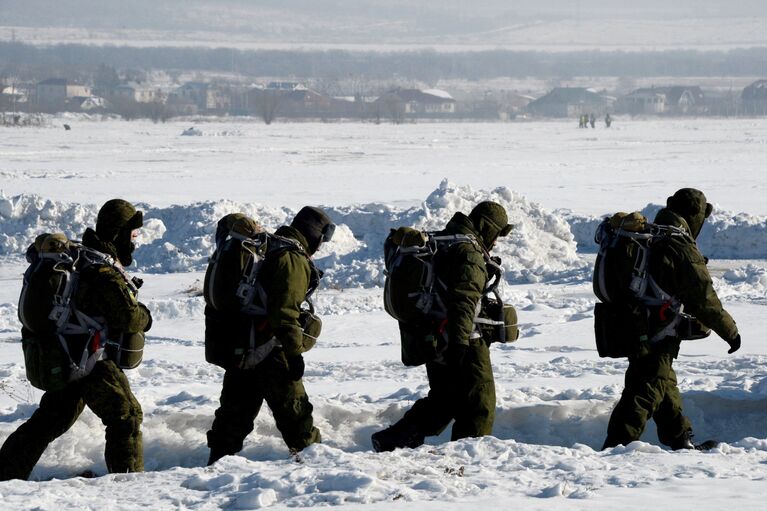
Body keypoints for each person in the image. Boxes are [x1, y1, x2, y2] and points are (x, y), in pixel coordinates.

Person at [0, 199, 152, 480]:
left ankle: (5, 473)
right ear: (119, 233)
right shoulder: (101, 271)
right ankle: (130, 485)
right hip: (90, 358)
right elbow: (129, 318)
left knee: (51, 418)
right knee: (126, 415)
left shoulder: (85, 258)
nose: (135, 243)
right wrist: (146, 316)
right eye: (132, 236)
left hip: (68, 352)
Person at [602, 188, 741, 450]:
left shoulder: (652, 234)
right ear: (695, 215)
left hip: (633, 324)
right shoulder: (678, 244)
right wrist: (730, 331)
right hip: (657, 329)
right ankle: (616, 446)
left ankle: (679, 438)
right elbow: (704, 299)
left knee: (662, 381)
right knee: (645, 389)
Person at [371, 201, 513, 452]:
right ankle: (468, 460)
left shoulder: (442, 240)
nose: (496, 241)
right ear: (487, 227)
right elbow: (464, 302)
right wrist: (459, 345)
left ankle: (394, 439)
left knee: (445, 399)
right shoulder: (468, 251)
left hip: (433, 336)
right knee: (479, 404)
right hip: (465, 341)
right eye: (497, 233)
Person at [206, 206, 335, 464]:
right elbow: (284, 314)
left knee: (233, 416)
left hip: (243, 346)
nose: (320, 247)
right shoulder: (292, 258)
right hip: (270, 350)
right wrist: (294, 354)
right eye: (322, 240)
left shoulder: (271, 247)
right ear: (315, 235)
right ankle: (315, 470)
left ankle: (215, 468)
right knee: (297, 417)